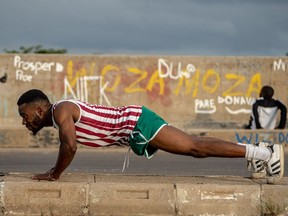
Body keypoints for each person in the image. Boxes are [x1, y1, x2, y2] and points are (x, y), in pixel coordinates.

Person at [17, 89, 284, 184]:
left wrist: (54, 174)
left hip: (138, 122)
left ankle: (265, 152)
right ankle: (258, 152)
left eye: (25, 115)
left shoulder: (61, 110)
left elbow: (70, 145)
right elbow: (69, 143)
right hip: (136, 125)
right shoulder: (57, 116)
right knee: (195, 147)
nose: (24, 121)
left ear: (39, 110)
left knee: (195, 147)